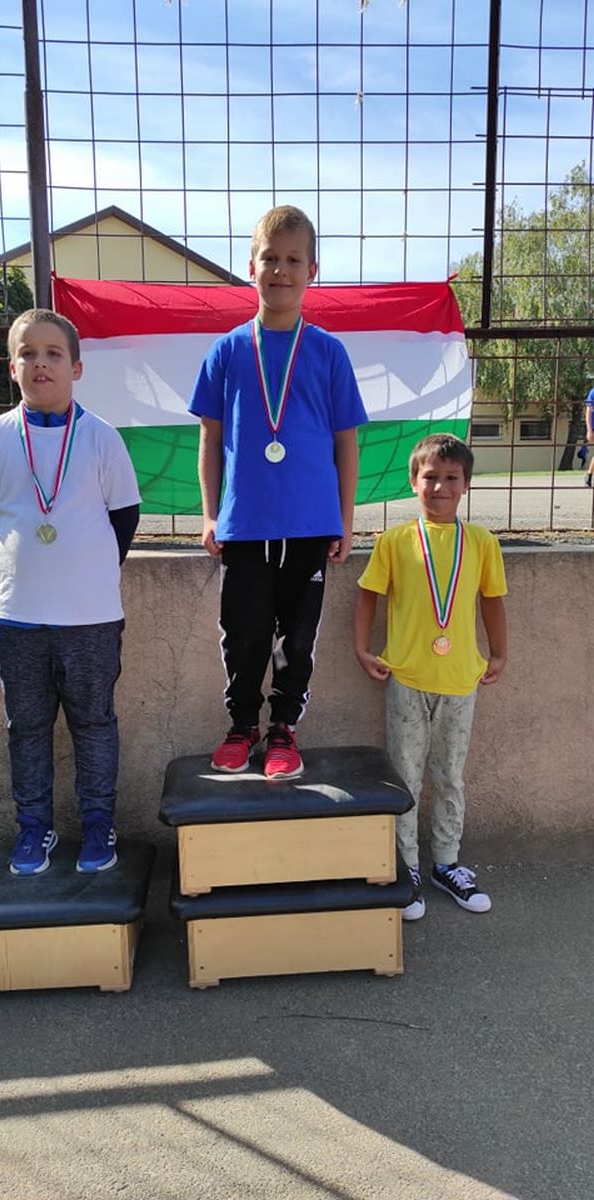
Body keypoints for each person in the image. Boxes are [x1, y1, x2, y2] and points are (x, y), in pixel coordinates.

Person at [189, 204, 367, 779]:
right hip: (244, 525)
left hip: (311, 524)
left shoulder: (329, 352)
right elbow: (210, 439)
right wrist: (210, 515)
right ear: (251, 267)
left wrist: (344, 520)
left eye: (293, 260)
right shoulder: (226, 351)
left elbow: (346, 444)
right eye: (270, 258)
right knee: (243, 636)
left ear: (312, 270)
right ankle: (241, 725)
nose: (281, 270)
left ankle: (283, 730)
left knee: (297, 639)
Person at [0, 308, 141, 876]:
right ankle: (33, 828)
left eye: (53, 354)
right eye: (28, 354)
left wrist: (83, 572)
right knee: (27, 729)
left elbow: (124, 520)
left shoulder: (102, 438)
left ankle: (98, 824)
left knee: (94, 724)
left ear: (76, 367)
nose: (41, 364)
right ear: (11, 367)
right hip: (17, 616)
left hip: (89, 618)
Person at [354, 433, 507, 919]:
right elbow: (368, 596)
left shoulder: (481, 542)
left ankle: (446, 863)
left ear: (466, 484)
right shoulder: (395, 540)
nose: (440, 486)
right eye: (430, 477)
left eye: (451, 478)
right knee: (405, 776)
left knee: (450, 777)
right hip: (406, 678)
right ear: (413, 481)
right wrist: (362, 649)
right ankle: (407, 868)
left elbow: (491, 600)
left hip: (461, 679)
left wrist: (499, 652)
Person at [584, 387, 594, 487]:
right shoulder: (593, 392)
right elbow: (588, 413)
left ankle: (589, 475)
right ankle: (589, 475)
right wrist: (589, 430)